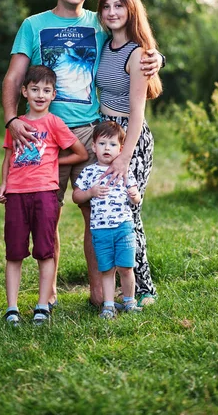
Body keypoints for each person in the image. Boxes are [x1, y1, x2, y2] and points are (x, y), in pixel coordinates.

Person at [2, 0, 164, 307]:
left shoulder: (98, 22)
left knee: (100, 210)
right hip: (47, 137)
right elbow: (14, 77)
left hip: (92, 132)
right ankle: (51, 292)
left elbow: (132, 35)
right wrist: (12, 119)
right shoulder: (33, 25)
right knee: (49, 211)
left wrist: (157, 57)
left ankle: (99, 292)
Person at [0, 65, 88, 326]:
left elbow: (80, 153)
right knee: (14, 252)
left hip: (46, 193)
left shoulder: (54, 124)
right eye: (34, 89)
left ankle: (42, 306)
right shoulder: (16, 125)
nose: (40, 95)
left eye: (46, 90)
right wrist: (3, 183)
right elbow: (7, 157)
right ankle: (11, 308)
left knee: (45, 251)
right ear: (24, 91)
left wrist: (51, 161)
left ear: (53, 94)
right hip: (16, 194)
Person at [95, 0, 163, 307]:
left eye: (118, 6)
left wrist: (124, 157)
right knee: (110, 211)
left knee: (129, 213)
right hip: (105, 131)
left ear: (130, 9)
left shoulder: (138, 54)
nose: (111, 12)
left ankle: (144, 288)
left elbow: (137, 112)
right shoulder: (105, 45)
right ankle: (120, 290)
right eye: (106, 6)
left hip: (129, 136)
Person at [72, 121, 143, 319]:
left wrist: (133, 194)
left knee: (126, 267)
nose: (106, 148)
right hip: (100, 230)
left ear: (120, 149)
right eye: (102, 144)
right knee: (107, 269)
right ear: (94, 147)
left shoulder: (124, 171)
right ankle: (109, 305)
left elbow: (136, 200)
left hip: (123, 227)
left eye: (112, 145)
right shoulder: (89, 172)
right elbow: (76, 196)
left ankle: (130, 301)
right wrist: (91, 192)